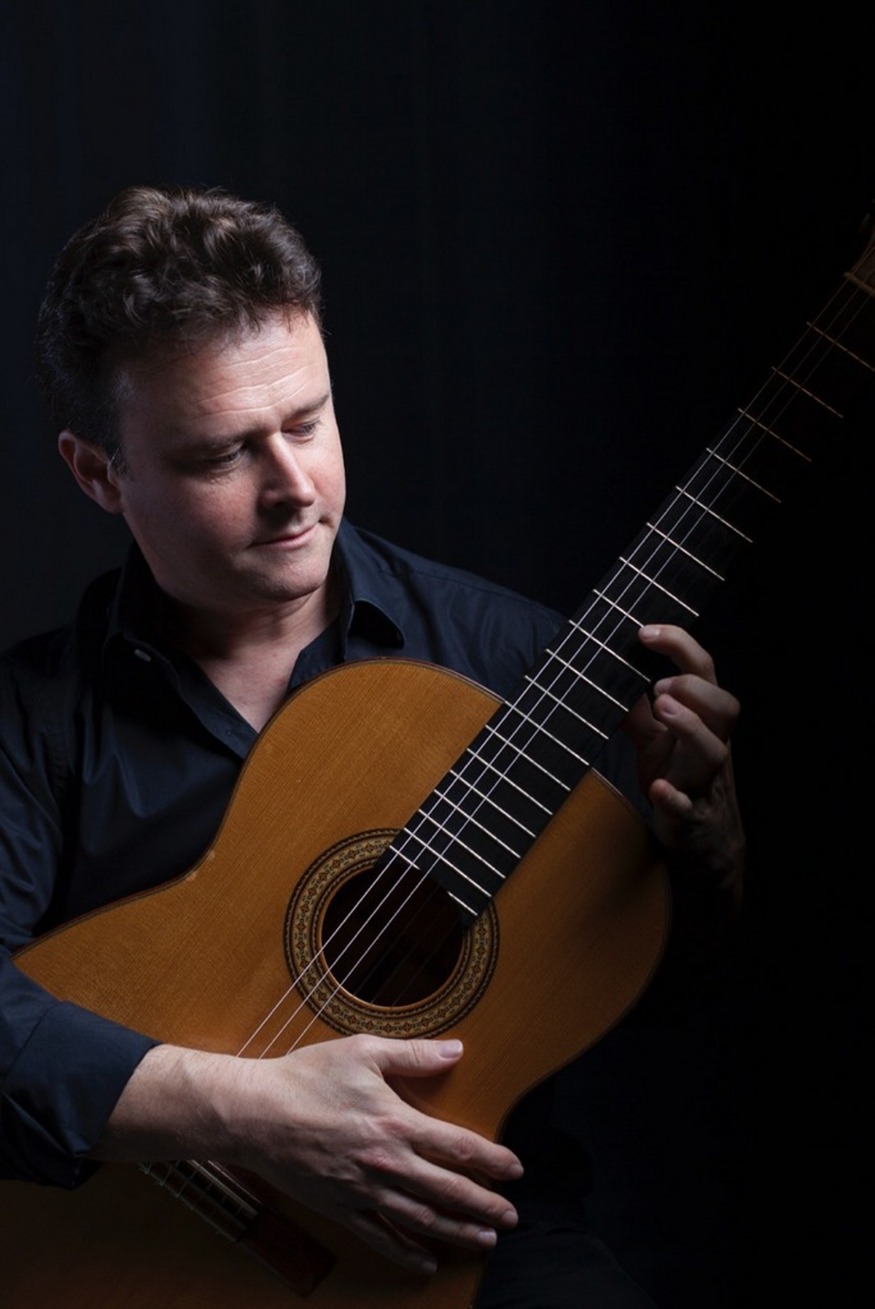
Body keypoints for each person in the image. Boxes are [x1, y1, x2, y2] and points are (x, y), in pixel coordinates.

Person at [0, 184, 744, 1306]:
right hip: (136, 1243)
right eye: (222, 455)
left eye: (307, 422)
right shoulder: (31, 720)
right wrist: (249, 1112)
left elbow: (666, 1005)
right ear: (99, 472)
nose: (294, 489)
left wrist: (708, 851)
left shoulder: (519, 665)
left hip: (465, 1235)